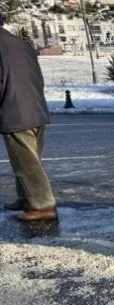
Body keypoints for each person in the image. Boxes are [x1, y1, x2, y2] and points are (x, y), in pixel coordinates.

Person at [1, 14, 58, 221]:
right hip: (35, 106)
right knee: (29, 157)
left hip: (14, 109)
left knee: (25, 161)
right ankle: (26, 197)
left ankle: (43, 206)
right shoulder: (21, 44)